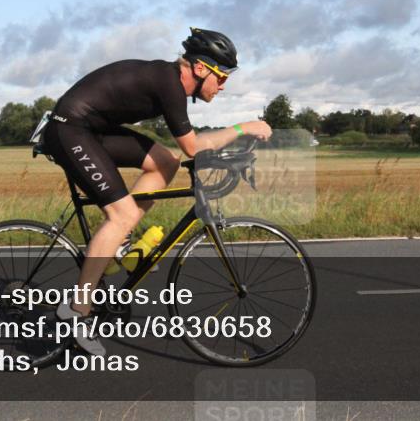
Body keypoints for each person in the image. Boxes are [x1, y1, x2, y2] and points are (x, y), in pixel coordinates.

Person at [42, 28, 272, 355]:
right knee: (120, 214)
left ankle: (118, 243)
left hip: (91, 129)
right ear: (200, 68)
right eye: (221, 77)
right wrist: (242, 128)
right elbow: (194, 147)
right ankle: (77, 311)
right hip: (69, 130)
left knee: (166, 162)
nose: (223, 86)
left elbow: (185, 152)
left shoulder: (169, 80)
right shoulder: (170, 85)